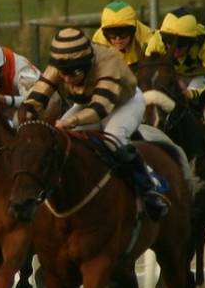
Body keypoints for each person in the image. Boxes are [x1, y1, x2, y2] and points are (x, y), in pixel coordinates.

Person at [19, 27, 168, 220]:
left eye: (71, 75)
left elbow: (101, 109)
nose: (66, 79)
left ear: (85, 65)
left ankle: (150, 188)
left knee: (114, 138)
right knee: (61, 139)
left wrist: (72, 120)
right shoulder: (63, 63)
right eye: (63, 74)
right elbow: (39, 93)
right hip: (88, 102)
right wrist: (26, 113)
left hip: (124, 103)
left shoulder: (109, 62)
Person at [153, 8, 205, 95]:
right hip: (173, 76)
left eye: (181, 42)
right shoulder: (157, 41)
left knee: (195, 85)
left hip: (201, 77)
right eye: (169, 40)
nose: (174, 48)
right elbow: (148, 73)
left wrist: (192, 94)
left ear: (191, 41)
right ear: (163, 37)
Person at [92, 1, 162, 66]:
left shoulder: (148, 37)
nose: (118, 39)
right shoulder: (98, 43)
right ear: (104, 33)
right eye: (112, 34)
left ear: (133, 31)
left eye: (123, 33)